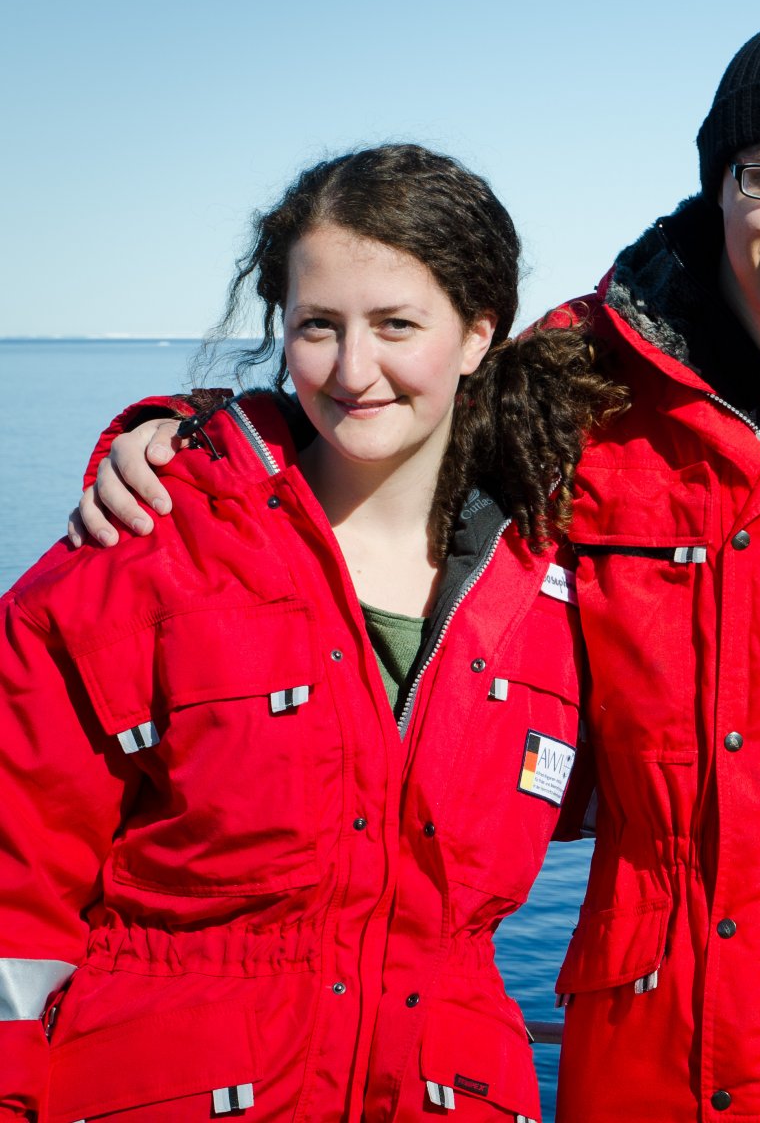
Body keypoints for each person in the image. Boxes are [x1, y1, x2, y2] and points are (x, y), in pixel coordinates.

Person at [76, 18, 760, 1120]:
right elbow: (378, 406)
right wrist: (176, 439)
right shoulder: (576, 378)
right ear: (719, 182)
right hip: (645, 1035)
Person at [0, 144, 618, 1121]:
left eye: (396, 325)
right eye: (318, 327)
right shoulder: (151, 543)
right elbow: (16, 873)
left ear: (476, 335)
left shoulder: (551, 593)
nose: (353, 369)